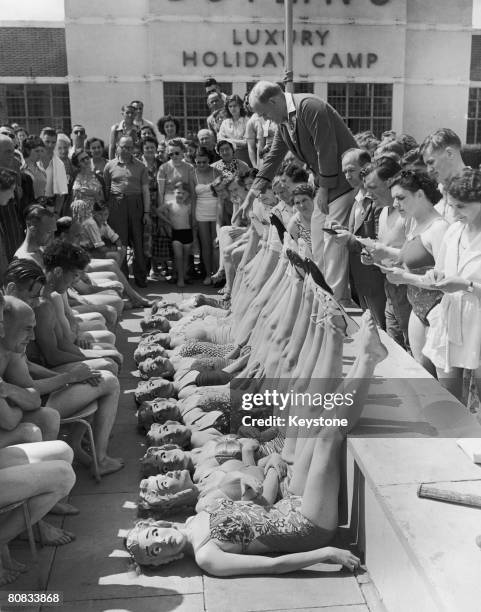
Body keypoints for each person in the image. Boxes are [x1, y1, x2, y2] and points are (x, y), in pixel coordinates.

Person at [126, 311, 386, 576]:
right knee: (328, 434)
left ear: (159, 524)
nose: (160, 541)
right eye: (154, 550)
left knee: (315, 423)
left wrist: (252, 486)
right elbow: (272, 565)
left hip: (288, 503)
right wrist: (326, 554)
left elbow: (255, 509)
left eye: (154, 534)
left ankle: (364, 359)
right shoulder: (207, 557)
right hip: (308, 526)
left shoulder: (198, 514)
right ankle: (367, 359)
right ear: (161, 561)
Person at [238, 81, 356, 302]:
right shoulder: (284, 122)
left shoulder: (310, 107)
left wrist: (322, 189)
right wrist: (252, 194)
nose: (264, 119)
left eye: (264, 113)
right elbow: (273, 157)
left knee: (332, 239)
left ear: (274, 101)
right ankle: (326, 296)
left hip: (341, 184)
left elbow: (326, 149)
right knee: (319, 238)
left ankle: (337, 301)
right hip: (326, 185)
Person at [2, 267, 124, 476]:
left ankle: (79, 445)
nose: (35, 301)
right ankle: (98, 458)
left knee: (103, 372)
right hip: (38, 404)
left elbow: (29, 370)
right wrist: (69, 377)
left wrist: (69, 377)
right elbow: (34, 382)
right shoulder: (13, 325)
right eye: (32, 295)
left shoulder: (20, 319)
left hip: (33, 399)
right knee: (109, 380)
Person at [422, 168, 481, 400]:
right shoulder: (454, 231)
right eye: (452, 206)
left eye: (462, 207)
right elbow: (441, 269)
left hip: (478, 324)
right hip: (450, 320)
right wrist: (434, 277)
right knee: (450, 397)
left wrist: (466, 285)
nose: (455, 214)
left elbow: (462, 282)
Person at [383, 169, 447, 374]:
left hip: (439, 312)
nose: (395, 204)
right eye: (394, 199)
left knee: (440, 383)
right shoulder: (415, 224)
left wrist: (404, 277)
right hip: (417, 310)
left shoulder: (438, 228)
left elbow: (445, 280)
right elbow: (412, 259)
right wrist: (382, 255)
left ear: (420, 194)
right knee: (420, 373)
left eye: (401, 198)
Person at [29, 239, 121, 376]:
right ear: (58, 271)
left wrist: (93, 355)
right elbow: (52, 357)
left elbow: (62, 344)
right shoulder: (41, 303)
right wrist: (96, 358)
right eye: (75, 275)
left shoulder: (52, 295)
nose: (75, 282)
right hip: (44, 372)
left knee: (112, 355)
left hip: (54, 362)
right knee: (109, 365)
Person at [333, 148, 386, 328]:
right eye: (344, 172)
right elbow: (356, 233)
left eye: (351, 170)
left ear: (365, 168)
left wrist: (350, 239)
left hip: (377, 281)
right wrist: (343, 232)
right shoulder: (356, 199)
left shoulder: (377, 200)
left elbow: (379, 242)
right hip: (360, 280)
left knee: (384, 331)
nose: (347, 176)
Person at [0, 295, 60, 447]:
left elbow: (34, 399)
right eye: (27, 328)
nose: (33, 337)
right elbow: (8, 421)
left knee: (49, 417)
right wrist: (70, 377)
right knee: (30, 433)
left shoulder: (11, 350)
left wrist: (10, 391)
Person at [104, 135, 151, 288]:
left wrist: (146, 213)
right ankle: (122, 277)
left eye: (129, 147)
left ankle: (141, 277)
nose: (126, 150)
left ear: (134, 148)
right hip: (116, 205)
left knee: (138, 242)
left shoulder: (141, 166)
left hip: (136, 204)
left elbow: (145, 191)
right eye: (123, 147)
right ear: (117, 146)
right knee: (120, 242)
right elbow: (106, 189)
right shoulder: (109, 166)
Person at [420, 128, 466, 222]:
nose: (429, 170)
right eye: (426, 165)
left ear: (449, 154)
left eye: (431, 162)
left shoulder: (476, 191)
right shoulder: (440, 194)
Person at [194, 147, 221, 284]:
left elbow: (222, 193)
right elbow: (192, 197)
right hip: (201, 212)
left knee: (215, 244)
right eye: (198, 162)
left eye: (204, 162)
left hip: (216, 211)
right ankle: (208, 274)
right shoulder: (193, 174)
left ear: (209, 160)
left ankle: (217, 274)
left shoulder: (216, 172)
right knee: (205, 245)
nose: (201, 165)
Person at [165, 182, 194, 288]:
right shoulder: (170, 203)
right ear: (174, 192)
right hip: (176, 234)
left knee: (186, 258)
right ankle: (180, 279)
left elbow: (191, 220)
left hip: (187, 233)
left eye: (183, 193)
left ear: (186, 194)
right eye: (178, 192)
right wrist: (168, 221)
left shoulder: (188, 205)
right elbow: (158, 211)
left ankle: (184, 276)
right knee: (178, 257)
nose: (180, 195)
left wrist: (194, 235)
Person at [39, 127, 68, 215]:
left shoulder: (59, 164)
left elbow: (61, 193)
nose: (50, 145)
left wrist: (56, 213)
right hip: (32, 203)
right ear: (41, 140)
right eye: (47, 141)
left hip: (50, 205)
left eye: (53, 142)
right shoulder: (32, 159)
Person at [218, 95, 250, 167]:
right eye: (230, 106)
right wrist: (238, 142)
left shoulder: (247, 121)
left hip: (244, 157)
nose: (232, 108)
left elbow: (246, 142)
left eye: (235, 105)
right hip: (227, 157)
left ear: (240, 106)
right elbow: (220, 140)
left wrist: (227, 140)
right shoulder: (225, 122)